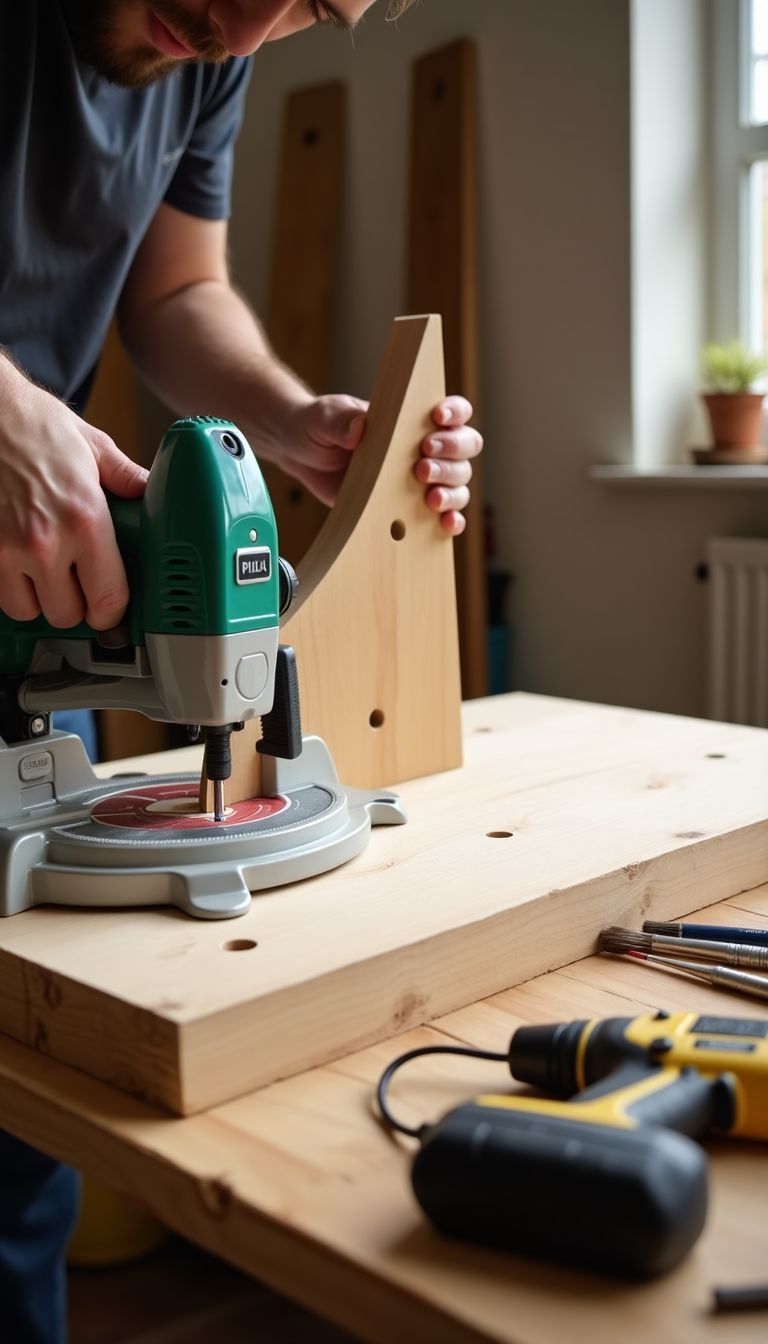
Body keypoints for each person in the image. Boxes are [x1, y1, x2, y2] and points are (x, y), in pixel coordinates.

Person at [0, 3, 483, 1340]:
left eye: (317, 6)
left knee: (20, 1119)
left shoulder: (210, 49)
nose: (252, 16)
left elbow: (174, 292)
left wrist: (289, 417)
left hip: (28, 583)